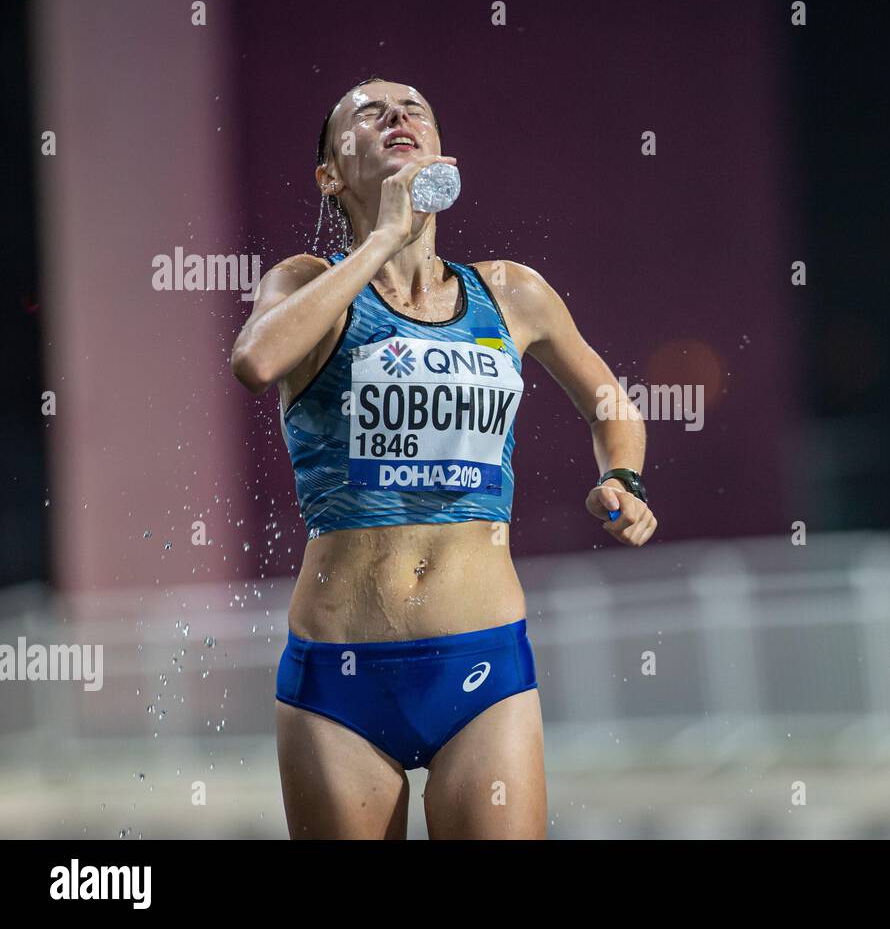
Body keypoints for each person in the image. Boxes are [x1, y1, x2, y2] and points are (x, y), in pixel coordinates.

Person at [230, 77, 656, 838]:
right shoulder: (306, 283)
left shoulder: (511, 293)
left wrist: (620, 475)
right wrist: (384, 240)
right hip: (340, 678)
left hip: (482, 665)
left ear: (437, 147)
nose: (398, 116)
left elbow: (611, 403)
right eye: (369, 112)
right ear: (330, 174)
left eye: (414, 108)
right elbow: (257, 361)